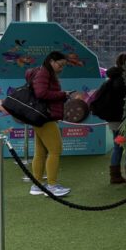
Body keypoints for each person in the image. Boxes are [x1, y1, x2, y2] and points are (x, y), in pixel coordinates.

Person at [26, 51, 79, 197]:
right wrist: (63, 94)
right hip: (45, 116)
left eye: (63, 65)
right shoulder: (44, 73)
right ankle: (52, 186)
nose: (61, 68)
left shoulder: (41, 72)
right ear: (51, 61)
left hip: (39, 116)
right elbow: (41, 93)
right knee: (55, 150)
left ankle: (37, 185)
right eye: (60, 65)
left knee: (41, 151)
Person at [94, 53, 126, 185]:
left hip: (114, 119)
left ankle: (115, 176)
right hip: (124, 120)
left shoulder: (112, 78)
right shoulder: (125, 80)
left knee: (118, 147)